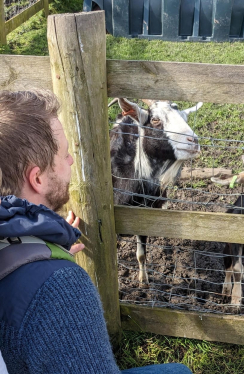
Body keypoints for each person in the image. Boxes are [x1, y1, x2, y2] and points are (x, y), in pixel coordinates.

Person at [0, 90, 192, 374]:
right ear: (37, 178)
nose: (71, 162)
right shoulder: (61, 291)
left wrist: (44, 246)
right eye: (64, 155)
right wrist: (52, 269)